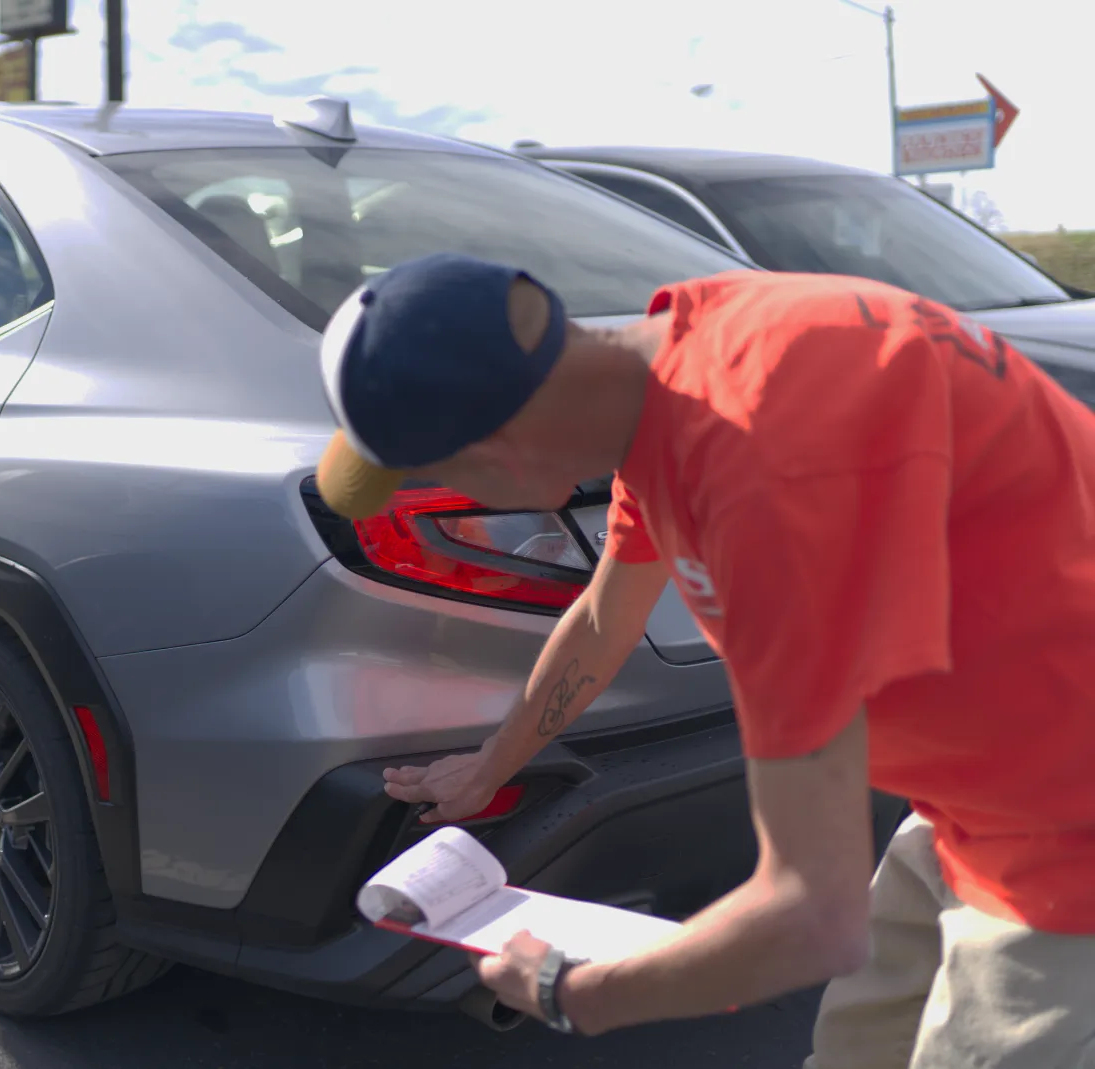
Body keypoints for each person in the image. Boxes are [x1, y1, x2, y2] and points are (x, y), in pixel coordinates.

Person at [313, 251, 1095, 1066]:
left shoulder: (770, 466)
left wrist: (569, 989)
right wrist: (490, 763)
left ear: (501, 444)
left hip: (1065, 828)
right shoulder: (664, 381)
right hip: (974, 792)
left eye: (436, 473)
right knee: (857, 1046)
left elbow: (803, 919)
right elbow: (604, 616)